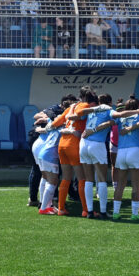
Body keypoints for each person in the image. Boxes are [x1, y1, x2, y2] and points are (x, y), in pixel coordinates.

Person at [51, 87, 92, 216]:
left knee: (66, 177)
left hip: (62, 144)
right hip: (74, 144)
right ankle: (86, 210)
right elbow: (78, 115)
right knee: (82, 178)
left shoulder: (70, 107)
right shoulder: (84, 105)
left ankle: (61, 208)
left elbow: (56, 122)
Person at [74, 93, 114, 218]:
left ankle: (89, 211)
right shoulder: (109, 110)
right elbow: (111, 121)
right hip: (97, 144)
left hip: (84, 143)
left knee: (89, 179)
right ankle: (102, 211)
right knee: (102, 179)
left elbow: (77, 115)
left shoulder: (92, 110)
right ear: (110, 102)